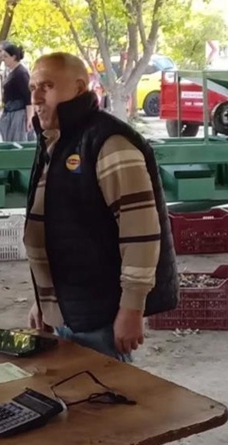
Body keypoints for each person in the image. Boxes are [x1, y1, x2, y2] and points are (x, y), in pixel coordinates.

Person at [23, 52, 178, 362]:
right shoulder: (56, 140)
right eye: (32, 87)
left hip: (101, 318)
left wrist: (131, 308)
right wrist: (44, 302)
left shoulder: (109, 143)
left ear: (79, 88)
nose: (36, 97)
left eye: (47, 86)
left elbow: (141, 235)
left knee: (106, 405)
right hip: (68, 312)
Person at [0, 41, 35, 142]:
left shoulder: (21, 74)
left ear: (13, 57)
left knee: (17, 142)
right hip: (11, 112)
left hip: (18, 114)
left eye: (5, 57)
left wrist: (30, 118)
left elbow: (28, 97)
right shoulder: (13, 72)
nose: (3, 60)